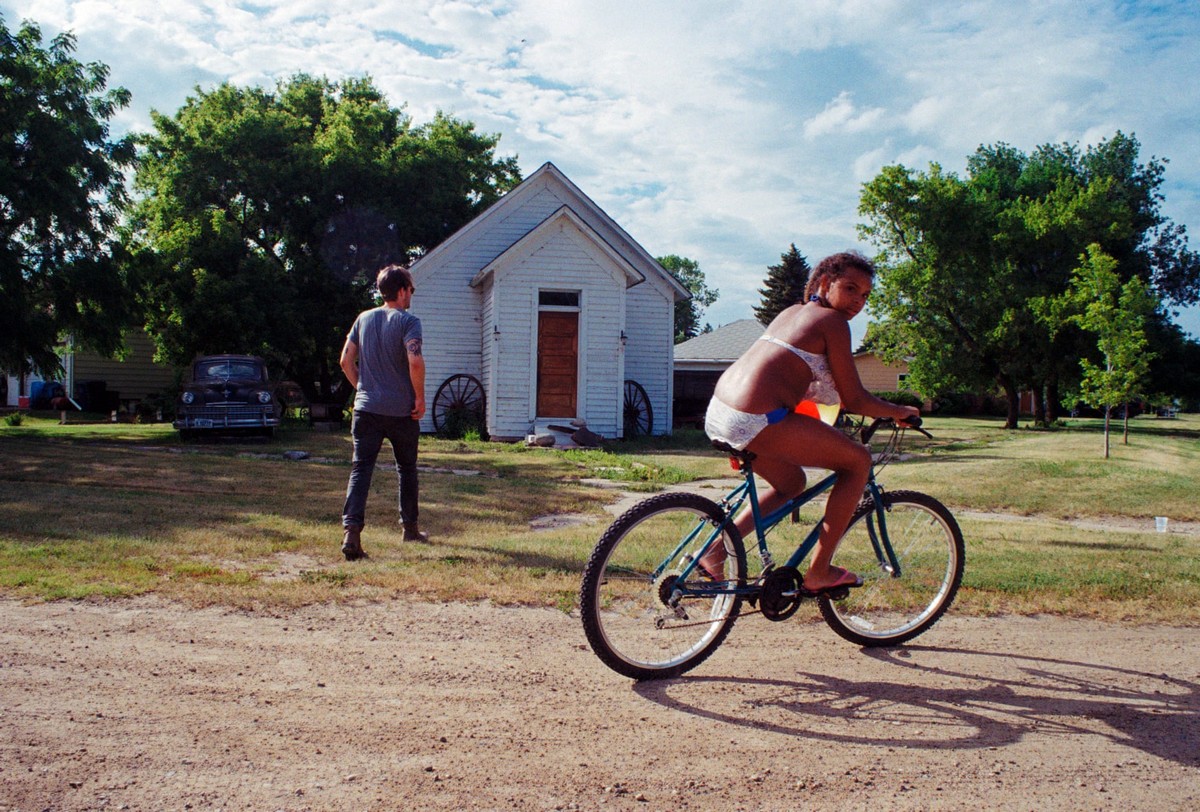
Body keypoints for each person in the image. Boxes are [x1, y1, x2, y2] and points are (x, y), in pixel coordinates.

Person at [701, 252, 919, 592]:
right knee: (858, 461)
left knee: (791, 484)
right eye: (850, 288)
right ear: (823, 283)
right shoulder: (833, 323)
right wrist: (897, 410)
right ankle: (819, 571)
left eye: (865, 295)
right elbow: (855, 399)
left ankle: (715, 552)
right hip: (755, 417)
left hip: (719, 412)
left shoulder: (791, 313)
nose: (858, 301)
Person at [339, 264, 428, 561]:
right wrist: (419, 398)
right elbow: (414, 360)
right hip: (401, 411)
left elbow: (345, 361)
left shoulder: (363, 319)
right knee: (406, 469)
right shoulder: (408, 321)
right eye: (411, 290)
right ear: (402, 291)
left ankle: (351, 534)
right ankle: (410, 528)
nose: (411, 295)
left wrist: (362, 387)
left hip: (366, 409)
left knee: (360, 469)